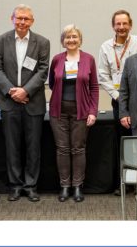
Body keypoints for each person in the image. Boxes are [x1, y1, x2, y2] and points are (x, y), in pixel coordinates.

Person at [0, 4, 50, 202]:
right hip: (9, 103)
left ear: (32, 21)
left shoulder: (42, 42)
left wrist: (25, 91)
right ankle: (15, 185)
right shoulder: (2, 40)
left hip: (33, 102)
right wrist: (12, 91)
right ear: (12, 19)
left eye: (26, 19)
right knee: (12, 146)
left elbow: (43, 71)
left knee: (33, 147)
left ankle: (30, 185)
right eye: (19, 18)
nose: (22, 22)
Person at [49, 24, 99, 202]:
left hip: (81, 111)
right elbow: (52, 83)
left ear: (80, 40)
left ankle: (77, 186)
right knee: (62, 149)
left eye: (74, 37)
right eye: (67, 37)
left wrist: (93, 111)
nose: (71, 40)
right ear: (63, 41)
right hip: (58, 111)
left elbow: (94, 87)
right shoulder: (56, 59)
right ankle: (64, 186)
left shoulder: (88, 59)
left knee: (78, 149)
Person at [98, 9, 137, 196]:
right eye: (118, 24)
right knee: (122, 142)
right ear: (113, 26)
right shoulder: (105, 47)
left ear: (130, 25)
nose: (121, 27)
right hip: (118, 101)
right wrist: (117, 95)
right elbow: (103, 75)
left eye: (125, 24)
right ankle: (123, 182)